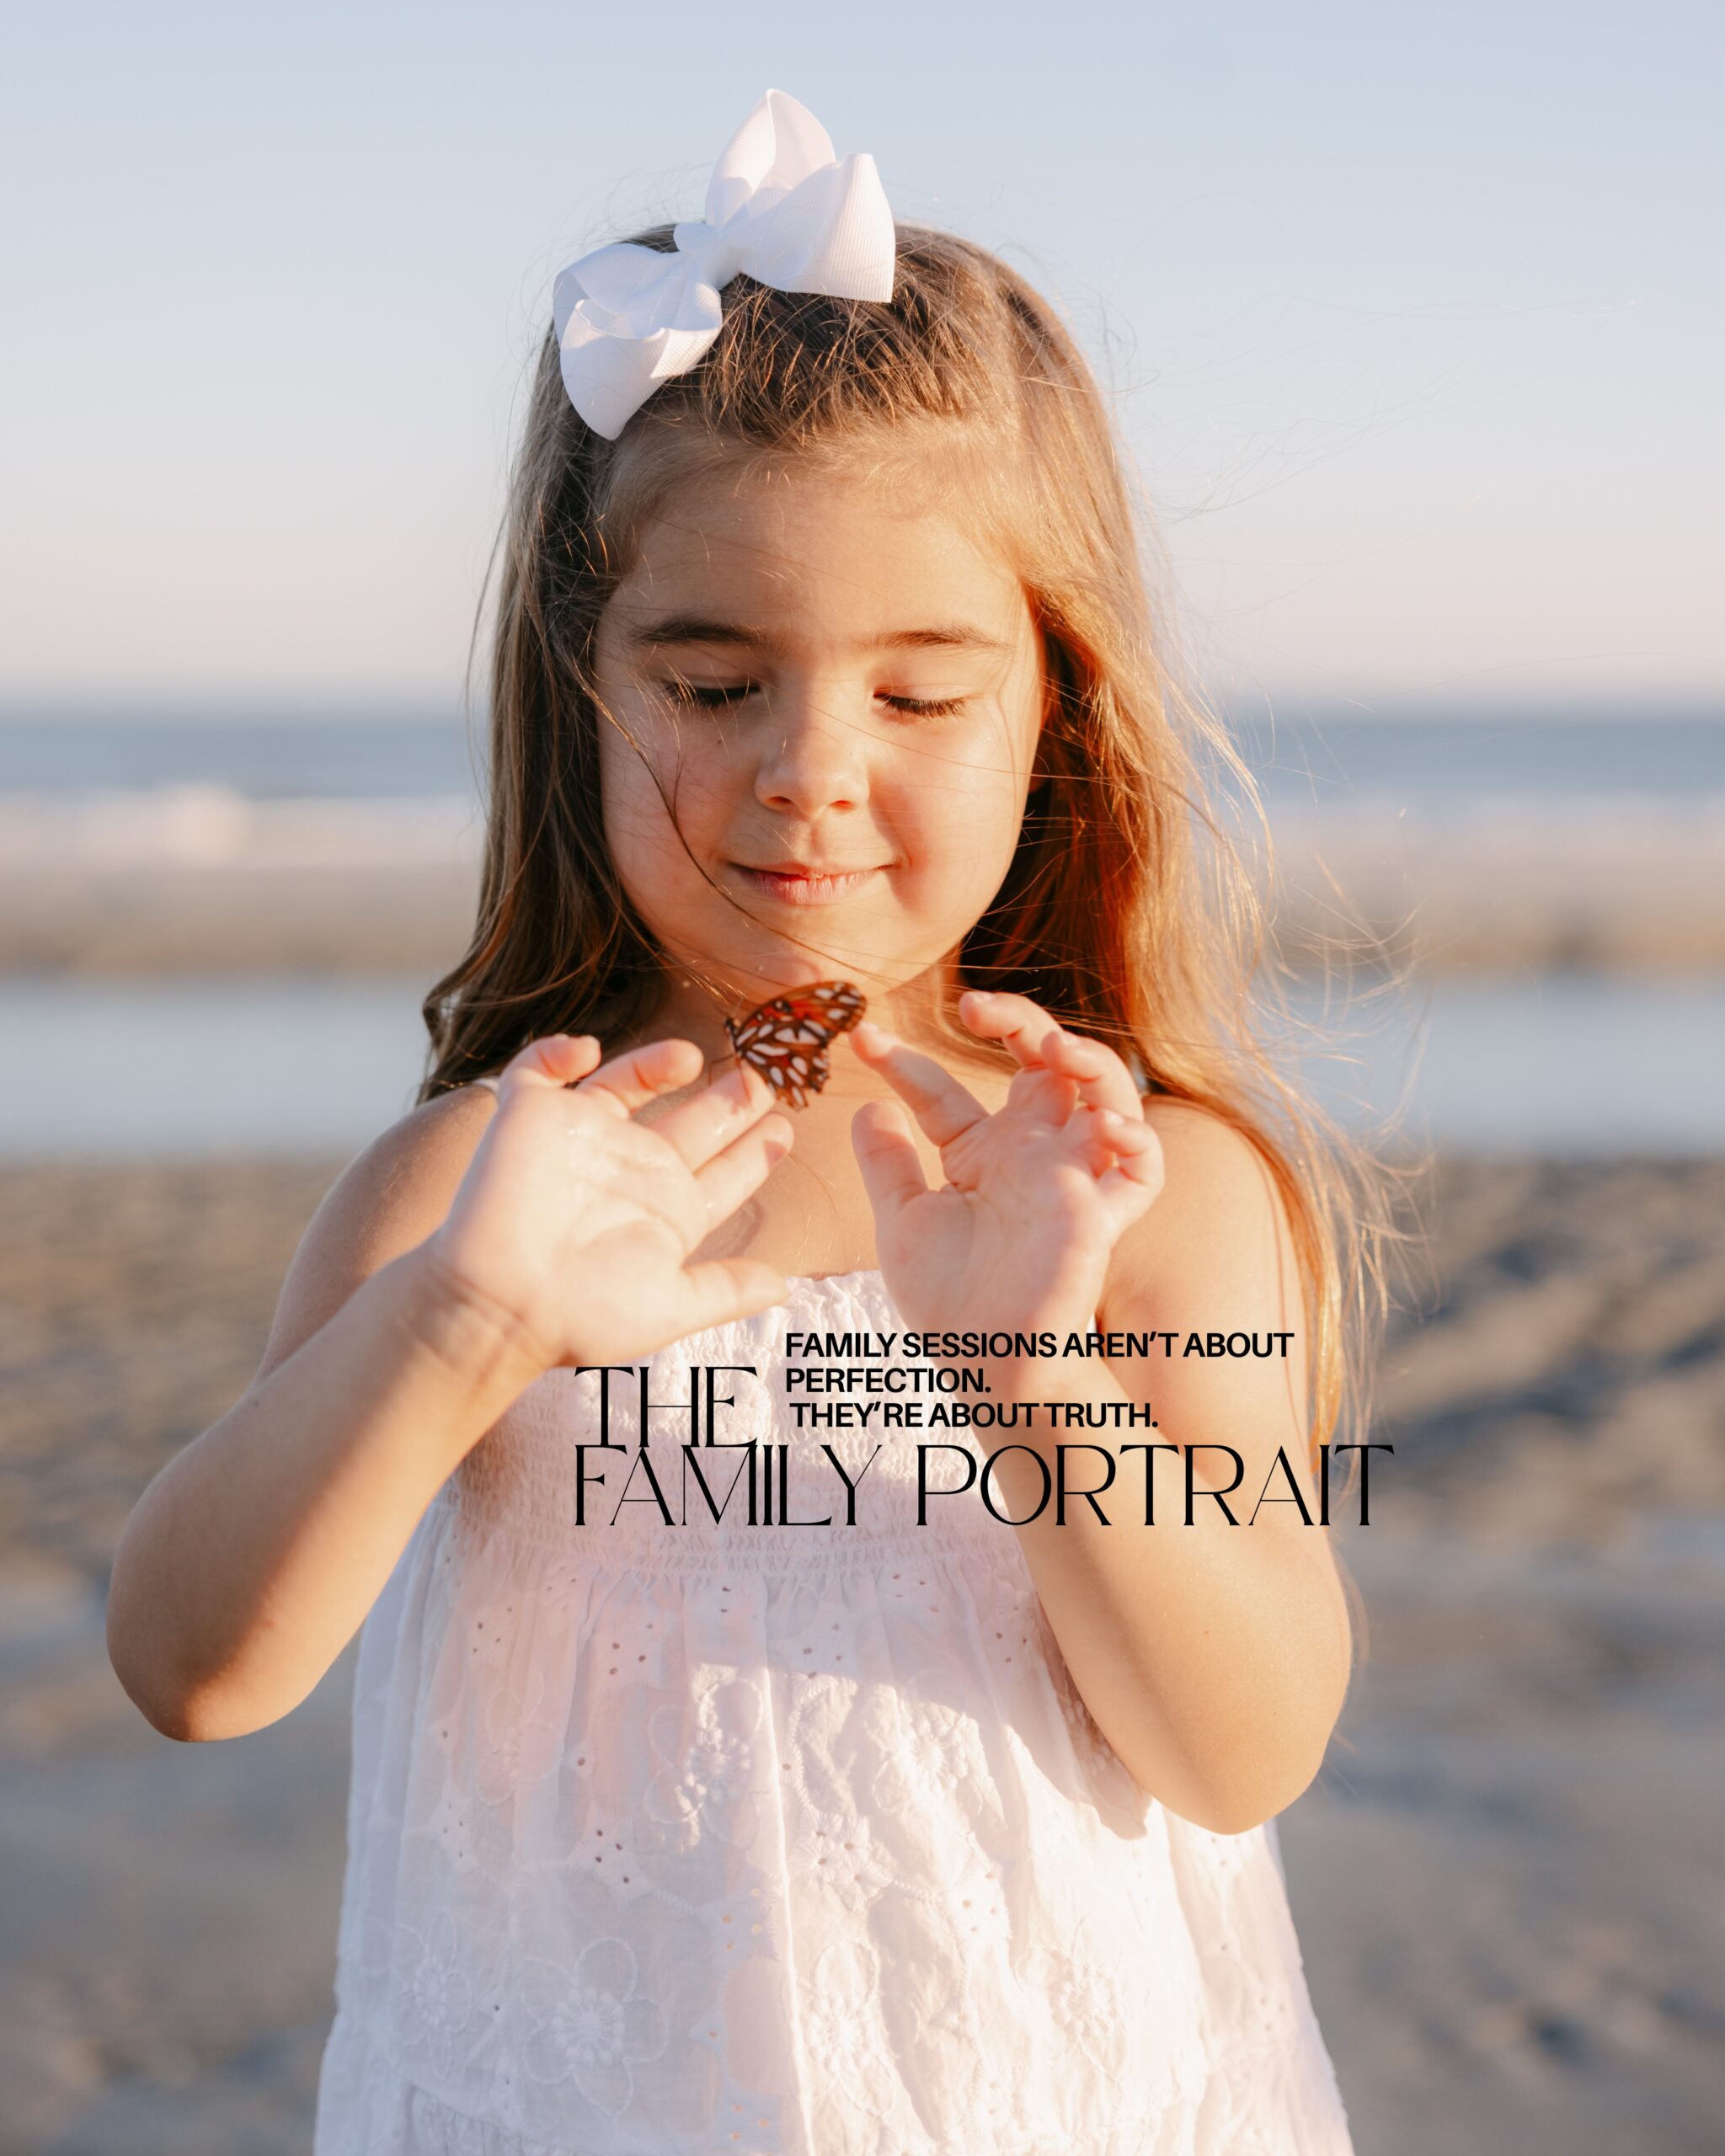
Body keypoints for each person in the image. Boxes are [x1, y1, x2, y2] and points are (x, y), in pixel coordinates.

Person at [107, 89, 1399, 2156]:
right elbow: (191, 1664)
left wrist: (1028, 1372)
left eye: (916, 691)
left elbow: (1241, 1742)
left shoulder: (1144, 1199)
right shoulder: (478, 1191)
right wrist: (464, 1326)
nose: (810, 767)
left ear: (1051, 703)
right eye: (713, 685)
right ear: (583, 678)